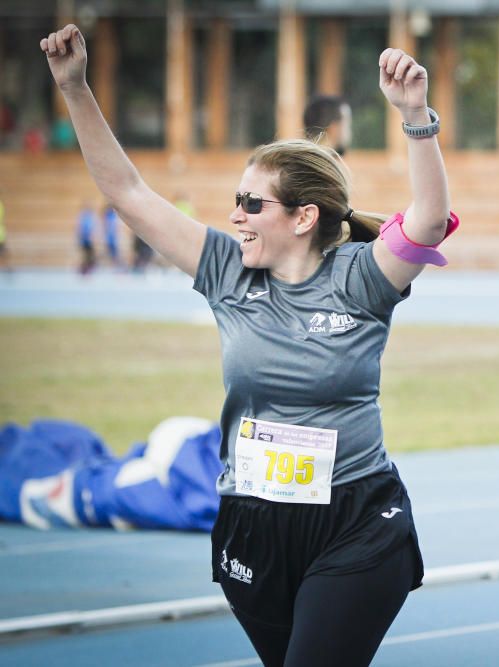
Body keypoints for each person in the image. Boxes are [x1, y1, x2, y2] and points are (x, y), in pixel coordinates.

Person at [43, 24, 458, 666]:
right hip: (253, 523)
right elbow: (127, 192)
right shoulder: (225, 269)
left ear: (302, 217)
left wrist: (414, 117)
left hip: (355, 521)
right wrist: (74, 87)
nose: (234, 215)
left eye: (250, 202)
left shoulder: (361, 279)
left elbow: (428, 219)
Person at [76, 200, 97, 274]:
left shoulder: (92, 215)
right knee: (85, 254)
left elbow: (94, 226)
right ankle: (84, 267)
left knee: (90, 254)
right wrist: (79, 237)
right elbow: (79, 227)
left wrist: (93, 236)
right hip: (84, 238)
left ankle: (90, 267)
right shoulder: (82, 215)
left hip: (89, 239)